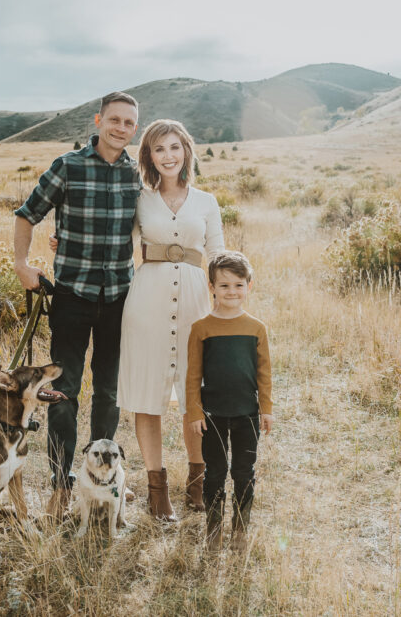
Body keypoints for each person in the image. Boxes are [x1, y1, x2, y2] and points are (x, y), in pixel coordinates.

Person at [12, 92, 141, 519]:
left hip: (121, 297)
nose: (122, 128)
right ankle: (62, 484)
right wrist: (22, 263)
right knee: (64, 392)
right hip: (71, 296)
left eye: (129, 123)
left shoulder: (138, 174)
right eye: (115, 120)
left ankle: (105, 481)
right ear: (99, 119)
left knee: (108, 391)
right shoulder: (68, 165)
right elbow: (27, 213)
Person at [117, 119, 225, 521]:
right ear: (148, 156)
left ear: (186, 151)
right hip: (147, 302)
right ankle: (156, 490)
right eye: (159, 149)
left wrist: (225, 308)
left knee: (194, 395)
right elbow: (117, 245)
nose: (168, 156)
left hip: (197, 300)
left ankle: (198, 483)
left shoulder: (207, 202)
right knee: (148, 394)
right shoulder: (140, 200)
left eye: (175, 147)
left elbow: (217, 254)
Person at [185, 251, 274, 551]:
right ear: (211, 288)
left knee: (244, 471)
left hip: (247, 414)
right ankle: (213, 529)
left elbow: (264, 373)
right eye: (224, 286)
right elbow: (193, 376)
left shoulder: (256, 328)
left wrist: (267, 409)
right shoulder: (201, 329)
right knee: (215, 472)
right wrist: (195, 413)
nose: (231, 292)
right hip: (212, 415)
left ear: (249, 286)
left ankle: (240, 529)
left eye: (238, 285)